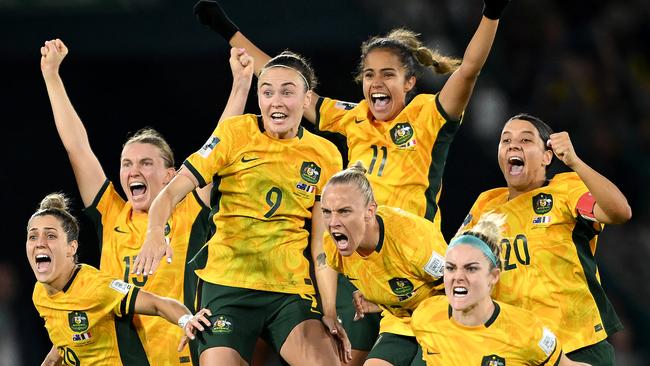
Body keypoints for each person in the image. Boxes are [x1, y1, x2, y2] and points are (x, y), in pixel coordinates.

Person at [192, 0, 510, 362]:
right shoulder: (351, 118)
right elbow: (285, 81)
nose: (377, 82)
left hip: (412, 264)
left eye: (388, 74)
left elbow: (468, 70)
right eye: (370, 74)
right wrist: (228, 30)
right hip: (358, 268)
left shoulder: (429, 117)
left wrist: (492, 14)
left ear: (410, 82)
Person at [40, 38, 252, 365]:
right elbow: (77, 148)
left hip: (181, 354)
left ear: (170, 175)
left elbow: (218, 147)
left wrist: (240, 85)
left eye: (145, 163)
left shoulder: (191, 208)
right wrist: (52, 76)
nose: (133, 171)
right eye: (127, 164)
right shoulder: (110, 211)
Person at [135, 51, 349, 365]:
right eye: (267, 92)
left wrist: (330, 311)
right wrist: (155, 232)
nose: (276, 101)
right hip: (227, 289)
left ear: (306, 100)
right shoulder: (234, 134)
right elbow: (168, 194)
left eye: (287, 92)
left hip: (288, 292)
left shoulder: (325, 154)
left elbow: (322, 246)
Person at [459, 113, 632, 365]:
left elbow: (619, 212)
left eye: (526, 140)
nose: (513, 145)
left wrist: (575, 162)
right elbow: (455, 262)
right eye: (505, 140)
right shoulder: (485, 204)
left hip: (577, 343)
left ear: (546, 156)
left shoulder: (566, 190)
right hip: (517, 349)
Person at [28, 193, 211, 366]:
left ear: (71, 248)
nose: (40, 243)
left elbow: (157, 303)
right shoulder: (40, 293)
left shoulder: (97, 288)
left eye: (50, 235)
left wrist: (186, 320)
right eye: (33, 236)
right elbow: (64, 336)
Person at [411, 213, 589, 366]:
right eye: (450, 268)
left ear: (493, 276)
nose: (458, 276)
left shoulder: (527, 330)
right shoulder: (426, 315)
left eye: (471, 268)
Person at [320, 162, 448, 366]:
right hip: (399, 321)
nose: (333, 221)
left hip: (440, 320)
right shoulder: (333, 246)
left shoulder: (412, 239)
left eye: (344, 211)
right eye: (327, 211)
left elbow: (459, 286)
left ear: (370, 211)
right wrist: (381, 298)